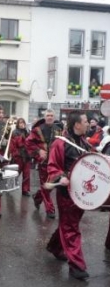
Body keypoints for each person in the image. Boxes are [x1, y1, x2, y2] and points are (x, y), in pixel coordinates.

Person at [46, 110, 91, 280]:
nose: (88, 124)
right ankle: (77, 266)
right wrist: (61, 177)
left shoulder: (84, 144)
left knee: (68, 223)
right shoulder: (60, 143)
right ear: (77, 124)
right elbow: (52, 166)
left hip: (82, 192)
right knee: (71, 227)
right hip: (67, 193)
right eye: (85, 121)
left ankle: (55, 247)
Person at [25, 109, 62, 218]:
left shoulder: (59, 129)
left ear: (54, 117)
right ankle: (50, 209)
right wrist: (38, 151)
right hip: (43, 163)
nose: (50, 117)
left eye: (51, 115)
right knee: (45, 185)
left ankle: (37, 197)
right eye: (48, 115)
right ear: (44, 117)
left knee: (50, 185)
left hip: (55, 162)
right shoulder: (37, 130)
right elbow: (28, 142)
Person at [9, 117, 31, 196]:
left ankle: (25, 190)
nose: (22, 124)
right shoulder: (15, 132)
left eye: (23, 123)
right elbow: (15, 145)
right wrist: (15, 155)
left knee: (27, 174)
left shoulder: (28, 132)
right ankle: (10, 186)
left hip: (27, 156)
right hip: (19, 156)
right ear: (18, 124)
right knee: (16, 173)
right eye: (20, 123)